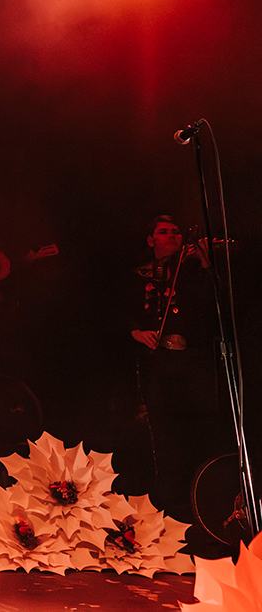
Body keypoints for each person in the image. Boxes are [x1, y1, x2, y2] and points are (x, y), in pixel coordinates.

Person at [129, 215, 224, 520]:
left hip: (192, 364)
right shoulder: (142, 273)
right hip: (158, 364)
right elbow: (122, 311)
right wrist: (136, 332)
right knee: (163, 435)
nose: (172, 236)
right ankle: (166, 507)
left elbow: (215, 308)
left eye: (176, 232)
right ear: (151, 240)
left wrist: (208, 266)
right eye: (164, 232)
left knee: (195, 434)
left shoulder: (193, 270)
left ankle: (198, 507)